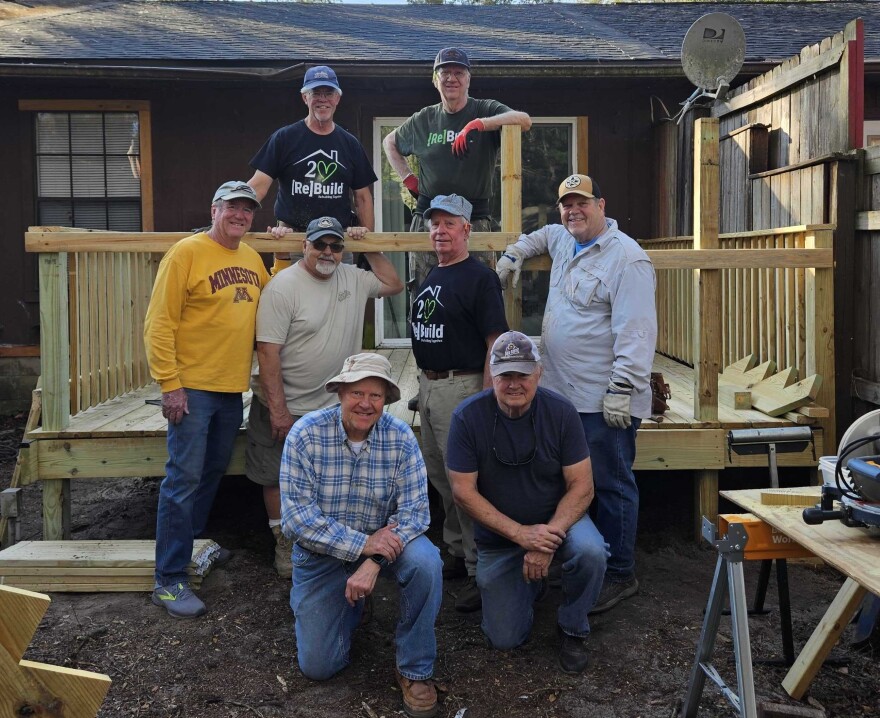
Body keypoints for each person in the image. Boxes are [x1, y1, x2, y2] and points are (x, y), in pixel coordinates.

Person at [496, 174, 657, 614]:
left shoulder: (626, 259)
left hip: (602, 399)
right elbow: (544, 234)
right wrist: (514, 252)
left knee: (611, 482)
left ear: (601, 204)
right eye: (566, 205)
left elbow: (637, 331)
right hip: (561, 395)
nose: (573, 211)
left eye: (582, 203)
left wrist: (622, 389)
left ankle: (620, 572)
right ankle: (584, 561)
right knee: (572, 482)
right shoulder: (566, 239)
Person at [280, 353, 442, 718]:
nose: (365, 404)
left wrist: (372, 560)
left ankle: (415, 669)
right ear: (339, 392)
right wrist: (364, 544)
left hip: (384, 547)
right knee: (319, 668)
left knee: (427, 561)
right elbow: (296, 521)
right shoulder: (305, 434)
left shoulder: (400, 438)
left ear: (387, 400)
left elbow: (417, 513)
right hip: (320, 555)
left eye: (376, 396)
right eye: (357, 393)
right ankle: (348, 609)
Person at [247, 216, 404, 577]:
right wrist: (278, 411)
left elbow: (393, 284)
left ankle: (324, 538)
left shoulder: (352, 277)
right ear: (306, 246)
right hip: (285, 401)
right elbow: (268, 352)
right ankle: (283, 540)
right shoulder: (283, 287)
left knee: (322, 474)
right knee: (275, 474)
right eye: (320, 244)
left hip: (331, 402)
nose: (328, 252)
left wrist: (370, 246)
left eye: (336, 246)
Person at [447, 331, 607, 674]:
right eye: (505, 375)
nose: (514, 384)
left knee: (592, 551)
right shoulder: (467, 417)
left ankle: (572, 626)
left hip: (558, 523)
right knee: (504, 639)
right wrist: (522, 535)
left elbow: (582, 486)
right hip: (501, 538)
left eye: (523, 374)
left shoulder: (562, 412)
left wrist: (546, 538)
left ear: (539, 373)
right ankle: (531, 587)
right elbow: (463, 492)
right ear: (491, 375)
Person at [144, 181, 270, 619]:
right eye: (233, 206)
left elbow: (272, 304)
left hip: (230, 388)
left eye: (248, 209)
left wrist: (287, 247)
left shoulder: (252, 258)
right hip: (192, 388)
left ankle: (193, 547)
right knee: (182, 480)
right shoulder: (186, 253)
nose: (241, 214)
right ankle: (169, 578)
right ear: (214, 209)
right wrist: (169, 384)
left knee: (212, 472)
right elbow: (158, 323)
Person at [409, 193, 508, 612]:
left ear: (467, 229)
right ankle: (455, 551)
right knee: (440, 476)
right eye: (435, 224)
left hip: (462, 389)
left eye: (449, 223)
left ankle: (478, 569)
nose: (440, 231)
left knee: (466, 483)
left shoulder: (479, 277)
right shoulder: (434, 273)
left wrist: (487, 398)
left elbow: (494, 342)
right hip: (428, 388)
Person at [382, 47, 531, 289]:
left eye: (459, 72)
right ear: (435, 80)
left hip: (474, 219)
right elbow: (389, 142)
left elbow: (524, 120)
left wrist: (479, 124)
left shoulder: (483, 108)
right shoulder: (424, 119)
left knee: (478, 289)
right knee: (426, 290)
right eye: (445, 73)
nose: (452, 78)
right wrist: (408, 178)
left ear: (468, 80)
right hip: (430, 219)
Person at [248, 65, 377, 264]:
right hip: (293, 240)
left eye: (329, 93)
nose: (323, 99)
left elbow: (363, 198)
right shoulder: (284, 138)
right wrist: (230, 212)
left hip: (336, 241)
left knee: (341, 295)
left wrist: (368, 243)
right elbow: (258, 186)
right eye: (316, 92)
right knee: (292, 295)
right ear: (305, 98)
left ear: (337, 99)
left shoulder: (350, 144)